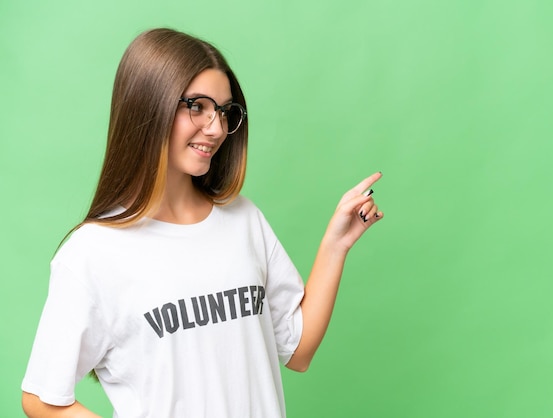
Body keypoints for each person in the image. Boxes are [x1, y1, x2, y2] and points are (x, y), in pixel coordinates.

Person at [21, 28, 383, 418]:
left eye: (225, 111)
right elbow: (41, 399)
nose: (216, 128)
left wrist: (335, 245)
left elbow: (298, 351)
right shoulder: (92, 253)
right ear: (148, 105)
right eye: (197, 106)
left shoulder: (244, 220)